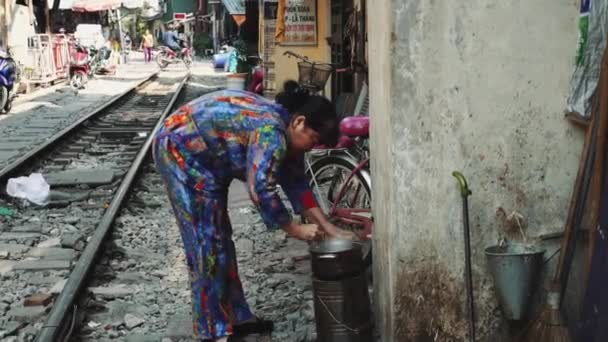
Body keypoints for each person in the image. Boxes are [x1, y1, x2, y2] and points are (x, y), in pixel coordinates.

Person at [153, 81, 350, 341]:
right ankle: (211, 332)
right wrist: (294, 228)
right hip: (181, 152)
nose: (310, 148)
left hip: (207, 161)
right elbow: (261, 189)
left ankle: (237, 317)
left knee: (221, 240)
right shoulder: (271, 132)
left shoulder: (287, 132)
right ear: (299, 122)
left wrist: (329, 228)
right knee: (206, 245)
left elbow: (298, 185)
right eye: (313, 140)